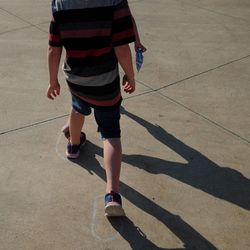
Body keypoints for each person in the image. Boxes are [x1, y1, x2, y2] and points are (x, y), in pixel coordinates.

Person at [47, 0, 140, 217]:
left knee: (78, 107)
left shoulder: (60, 3)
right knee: (110, 134)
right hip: (105, 81)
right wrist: (130, 75)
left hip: (76, 78)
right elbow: (121, 47)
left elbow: (54, 48)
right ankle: (113, 195)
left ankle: (74, 144)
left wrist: (53, 80)